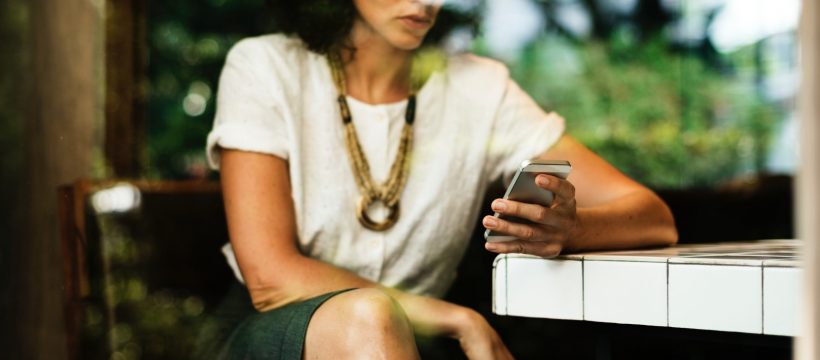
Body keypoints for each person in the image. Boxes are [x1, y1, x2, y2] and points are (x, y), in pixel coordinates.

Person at [202, 0, 678, 358]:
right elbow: (270, 277)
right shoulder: (265, 67)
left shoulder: (481, 89)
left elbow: (655, 219)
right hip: (271, 335)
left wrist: (570, 231)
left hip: (420, 345)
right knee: (370, 319)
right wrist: (456, 319)